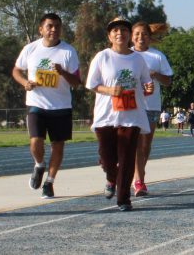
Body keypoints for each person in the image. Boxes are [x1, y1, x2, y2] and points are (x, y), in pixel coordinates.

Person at [85, 16, 154, 212]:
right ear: (109, 36)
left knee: (126, 157)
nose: (120, 33)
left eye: (124, 30)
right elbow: (92, 84)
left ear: (129, 35)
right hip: (106, 114)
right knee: (107, 157)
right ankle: (110, 177)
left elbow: (145, 83)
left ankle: (124, 198)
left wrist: (148, 89)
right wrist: (109, 91)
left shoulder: (137, 59)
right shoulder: (102, 57)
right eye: (115, 30)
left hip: (131, 114)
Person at [11, 12, 82, 199]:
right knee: (35, 141)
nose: (53, 30)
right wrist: (25, 83)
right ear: (41, 29)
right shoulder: (30, 49)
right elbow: (16, 70)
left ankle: (49, 182)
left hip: (61, 106)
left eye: (57, 26)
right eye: (49, 26)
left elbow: (76, 82)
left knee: (58, 146)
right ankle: (39, 164)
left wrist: (63, 72)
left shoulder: (68, 51)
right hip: (36, 103)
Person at [130, 21, 174, 197]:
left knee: (145, 145)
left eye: (144, 34)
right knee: (136, 145)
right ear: (132, 37)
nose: (141, 37)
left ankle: (137, 175)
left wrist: (156, 75)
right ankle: (139, 180)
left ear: (150, 37)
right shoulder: (127, 55)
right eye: (137, 34)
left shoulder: (157, 56)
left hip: (151, 106)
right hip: (131, 105)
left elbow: (168, 81)